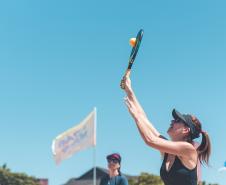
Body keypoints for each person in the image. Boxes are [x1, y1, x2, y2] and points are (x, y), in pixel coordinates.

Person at [120, 75, 211, 185]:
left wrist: (136, 117)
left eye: (177, 120)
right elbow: (144, 118)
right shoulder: (168, 150)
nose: (172, 121)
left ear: (186, 130)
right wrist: (129, 90)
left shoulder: (188, 149)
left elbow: (150, 140)